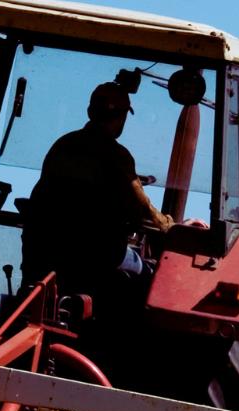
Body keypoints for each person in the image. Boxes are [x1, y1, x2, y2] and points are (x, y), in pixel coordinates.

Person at [22, 81, 173, 295]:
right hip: (96, 256)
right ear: (122, 117)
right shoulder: (117, 156)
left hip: (45, 251)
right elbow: (141, 209)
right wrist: (170, 226)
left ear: (90, 111)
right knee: (151, 278)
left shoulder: (62, 145)